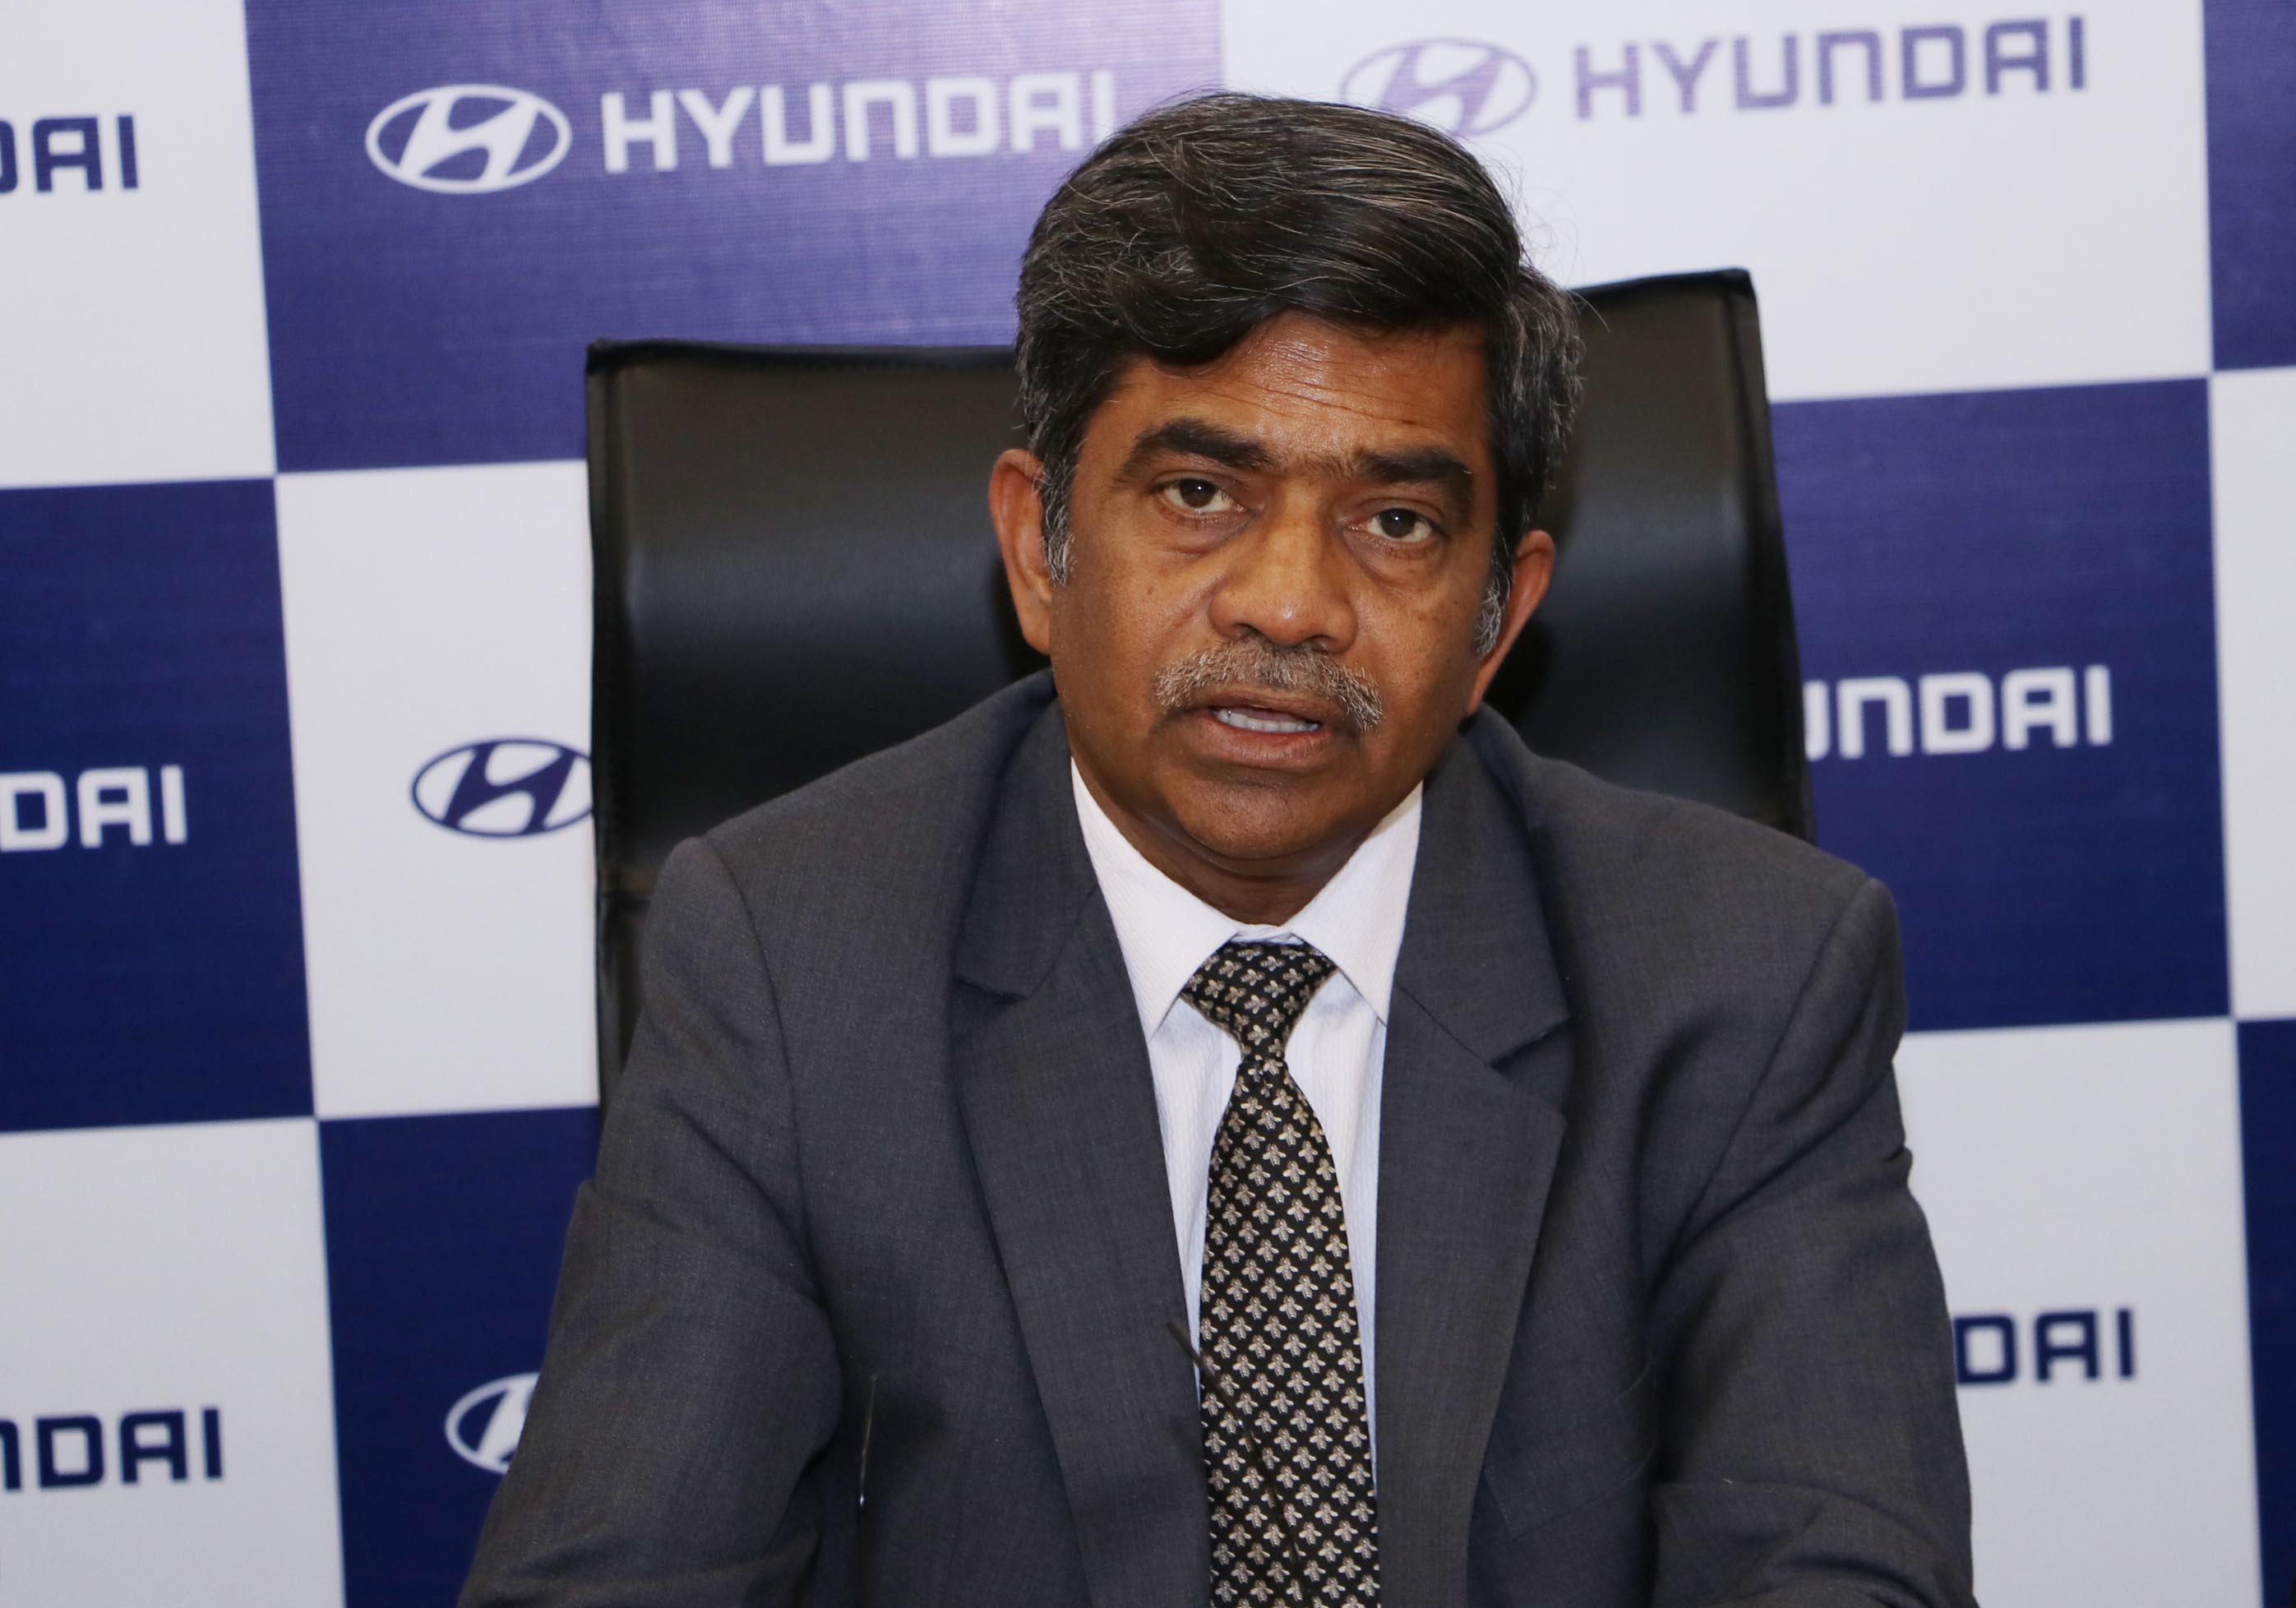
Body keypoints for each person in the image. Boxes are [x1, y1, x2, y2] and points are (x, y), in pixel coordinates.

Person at [460, 92, 1972, 1607]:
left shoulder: (1745, 979)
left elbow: (1836, 1569)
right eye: (1199, 495)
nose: (1290, 603)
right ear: (1038, 550)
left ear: (1498, 618)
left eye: (1395, 521)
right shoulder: (791, 965)